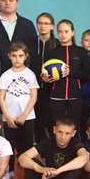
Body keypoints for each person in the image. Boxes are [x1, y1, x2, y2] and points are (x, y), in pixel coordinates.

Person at [16, 115, 89, 179]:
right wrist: (40, 169)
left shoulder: (76, 143)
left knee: (78, 166)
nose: (63, 137)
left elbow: (84, 158)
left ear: (73, 133)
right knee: (32, 162)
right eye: (60, 132)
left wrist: (58, 171)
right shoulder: (47, 142)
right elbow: (22, 157)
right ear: (54, 130)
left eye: (67, 133)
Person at [0, 41, 38, 179]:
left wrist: (24, 115)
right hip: (9, 118)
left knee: (27, 146)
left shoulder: (30, 74)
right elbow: (1, 98)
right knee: (10, 146)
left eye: (20, 56)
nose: (17, 59)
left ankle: (29, 174)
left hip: (27, 118)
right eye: (14, 56)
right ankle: (10, 173)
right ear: (9, 56)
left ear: (25, 56)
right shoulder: (5, 76)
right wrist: (7, 116)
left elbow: (34, 96)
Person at [42, 19, 90, 129]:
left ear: (72, 32)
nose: (63, 35)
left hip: (75, 97)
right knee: (56, 127)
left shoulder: (81, 52)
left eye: (66, 31)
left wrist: (70, 72)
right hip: (56, 97)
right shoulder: (52, 52)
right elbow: (46, 73)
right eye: (60, 32)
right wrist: (45, 78)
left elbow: (87, 76)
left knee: (74, 127)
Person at [29, 12, 59, 141]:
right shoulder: (30, 44)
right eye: (40, 23)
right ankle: (41, 151)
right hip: (34, 90)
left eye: (46, 23)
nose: (42, 26)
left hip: (52, 90)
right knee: (38, 124)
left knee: (52, 122)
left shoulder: (58, 44)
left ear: (52, 26)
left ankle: (55, 150)